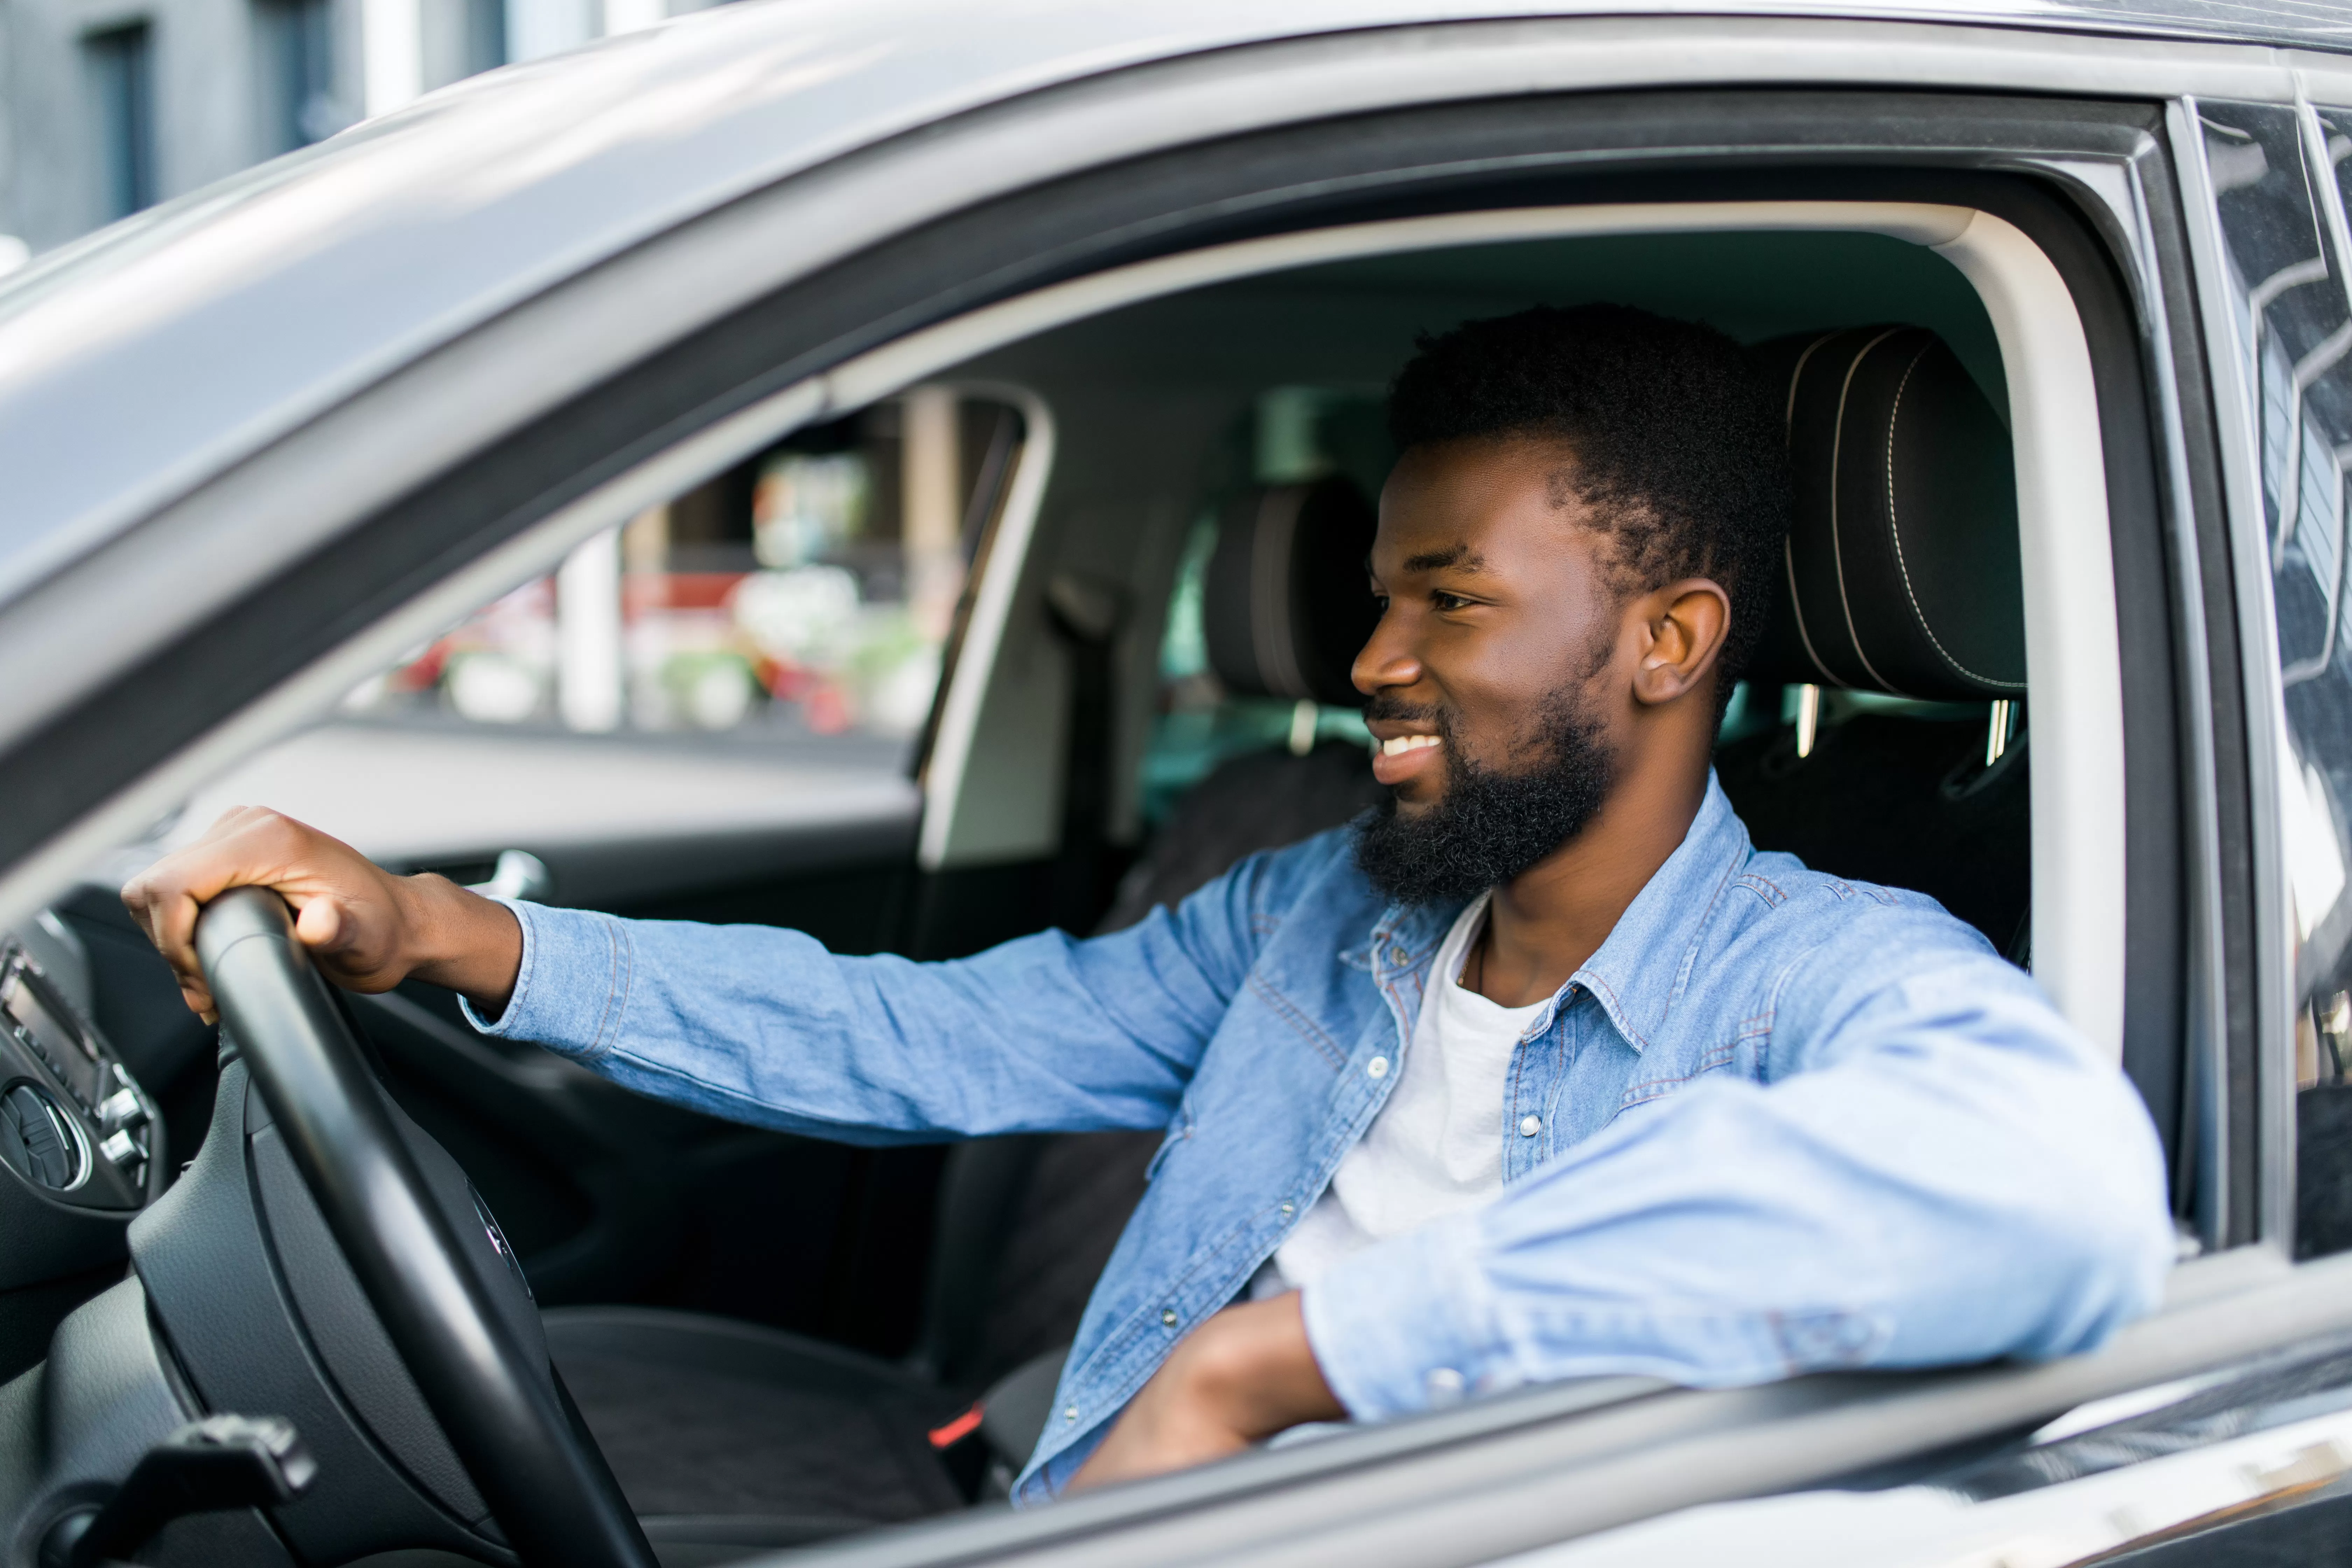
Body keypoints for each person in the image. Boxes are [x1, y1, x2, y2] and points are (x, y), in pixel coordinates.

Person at [123, 304, 2174, 1507]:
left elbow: (2060, 1190)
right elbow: (935, 1035)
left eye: (1443, 600)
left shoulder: (1822, 970)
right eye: (1377, 593)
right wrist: (447, 927)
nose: (1367, 656)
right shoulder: (1326, 907)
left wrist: (1282, 1365)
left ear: (1669, 640)